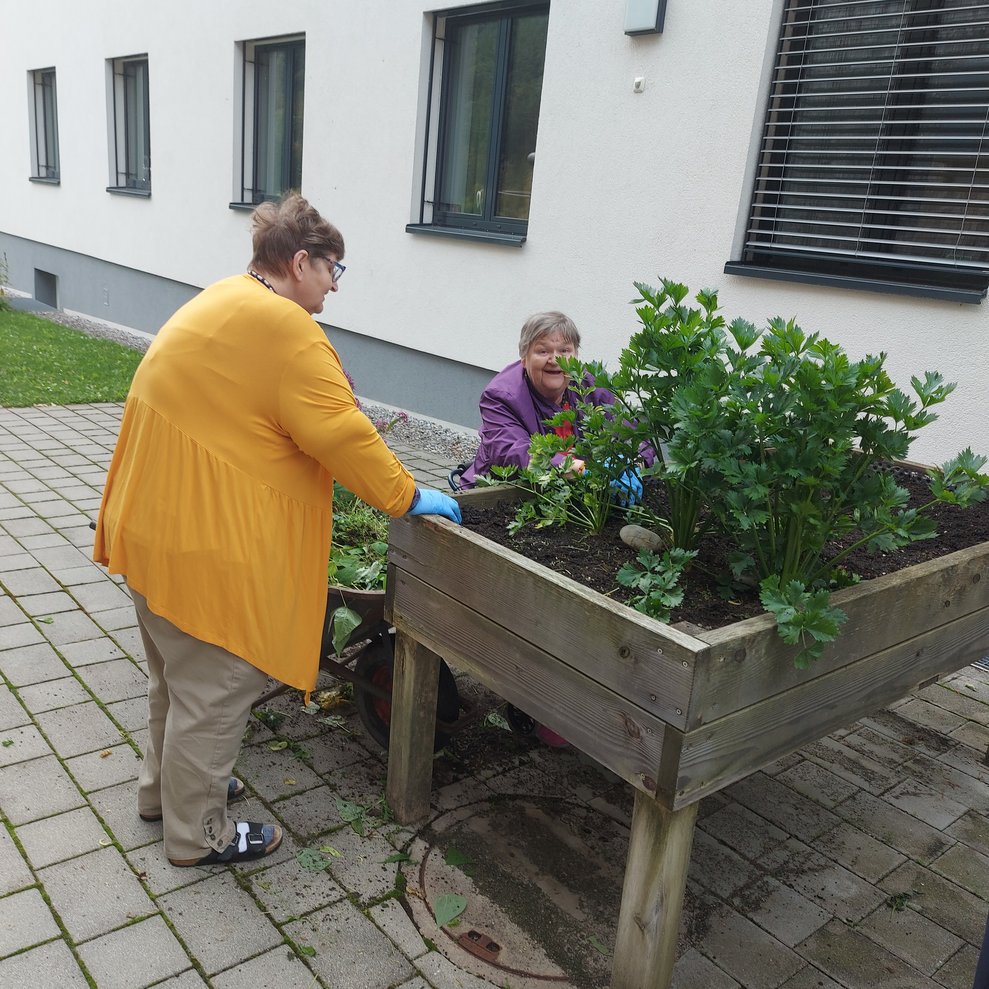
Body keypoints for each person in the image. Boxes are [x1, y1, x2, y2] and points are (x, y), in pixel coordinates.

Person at [93, 193, 460, 868]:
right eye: (333, 270)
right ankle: (195, 834)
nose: (335, 287)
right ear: (300, 261)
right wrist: (407, 495)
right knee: (216, 689)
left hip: (150, 526)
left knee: (174, 681)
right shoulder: (286, 328)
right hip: (207, 545)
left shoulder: (225, 299)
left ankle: (162, 793)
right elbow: (341, 432)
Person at [458, 311, 643, 502]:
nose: (555, 360)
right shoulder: (501, 396)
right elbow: (515, 453)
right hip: (504, 497)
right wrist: (586, 470)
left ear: (576, 355)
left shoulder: (591, 386)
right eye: (543, 351)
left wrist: (634, 463)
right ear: (524, 358)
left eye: (564, 351)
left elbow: (633, 431)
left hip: (574, 497)